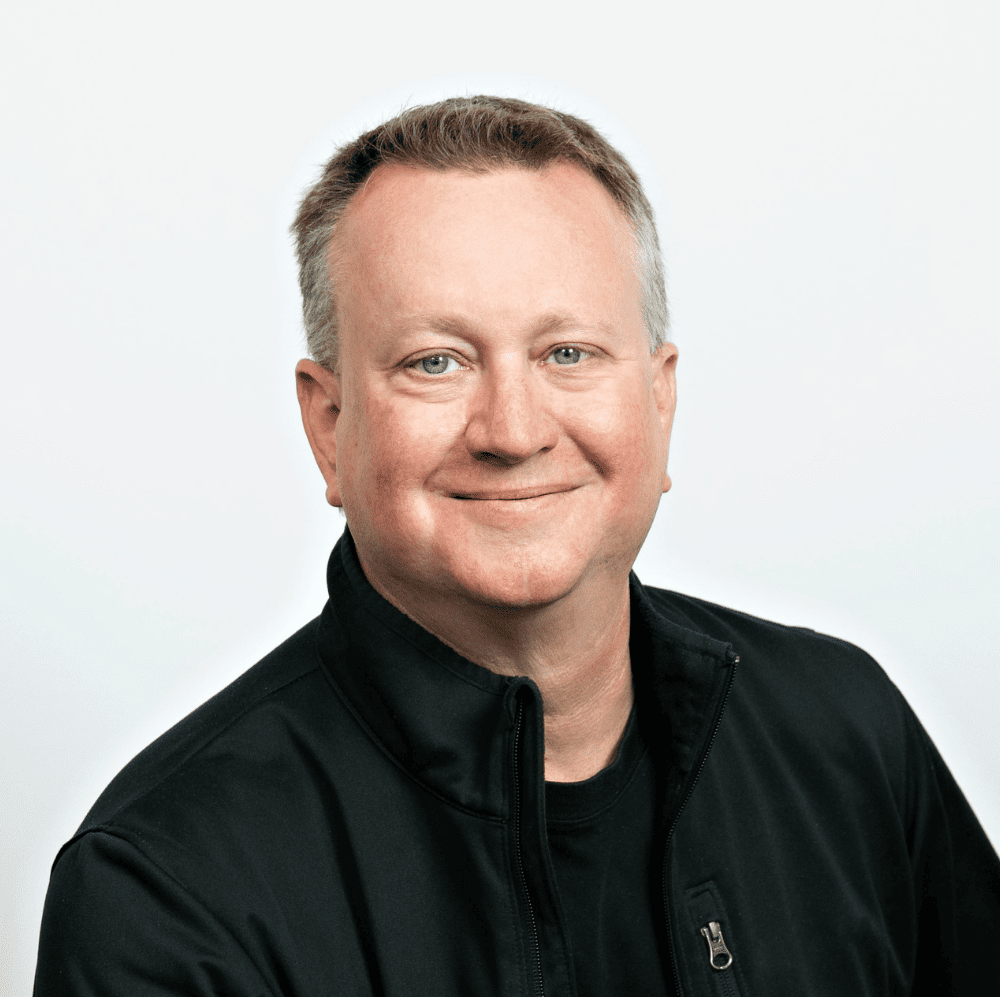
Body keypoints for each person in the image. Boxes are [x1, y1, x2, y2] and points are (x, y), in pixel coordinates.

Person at [34, 95, 999, 996]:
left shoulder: (844, 733)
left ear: (659, 399)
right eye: (436, 362)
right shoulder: (165, 886)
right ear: (329, 428)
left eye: (566, 353)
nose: (513, 429)